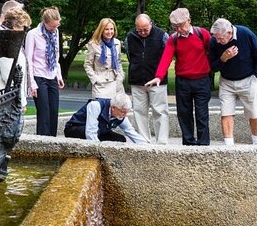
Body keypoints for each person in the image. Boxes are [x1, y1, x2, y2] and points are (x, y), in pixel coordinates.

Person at [145, 8, 212, 146]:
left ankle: (204, 145)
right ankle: (188, 144)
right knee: (184, 114)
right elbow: (166, 58)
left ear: (189, 20)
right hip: (183, 82)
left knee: (202, 114)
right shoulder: (173, 39)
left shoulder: (202, 34)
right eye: (176, 27)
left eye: (181, 25)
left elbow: (212, 51)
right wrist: (158, 76)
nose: (179, 29)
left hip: (202, 80)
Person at [209, 18, 257, 145]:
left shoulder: (245, 34)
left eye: (220, 38)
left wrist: (255, 76)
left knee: (254, 112)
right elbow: (213, 67)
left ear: (229, 33)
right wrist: (223, 58)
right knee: (226, 113)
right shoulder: (214, 41)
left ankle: (256, 144)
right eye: (216, 38)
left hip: (248, 79)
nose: (217, 41)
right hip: (226, 82)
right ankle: (229, 147)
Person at [125, 14, 169, 144]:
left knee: (160, 111)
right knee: (139, 112)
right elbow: (129, 55)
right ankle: (143, 141)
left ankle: (162, 142)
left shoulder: (162, 35)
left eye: (145, 29)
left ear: (151, 23)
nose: (143, 32)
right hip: (137, 80)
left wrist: (159, 75)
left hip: (157, 81)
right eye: (140, 30)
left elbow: (166, 57)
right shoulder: (130, 36)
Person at [25, 6, 65, 136]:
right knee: (44, 112)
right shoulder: (33, 34)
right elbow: (28, 60)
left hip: (51, 75)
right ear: (45, 23)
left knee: (53, 111)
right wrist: (32, 83)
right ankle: (42, 141)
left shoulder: (55, 33)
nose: (54, 29)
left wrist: (59, 76)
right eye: (52, 26)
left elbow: (56, 55)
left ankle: (52, 141)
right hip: (38, 75)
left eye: (56, 26)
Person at [64, 93, 147, 143]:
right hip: (75, 128)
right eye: (123, 112)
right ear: (114, 107)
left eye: (126, 112)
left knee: (120, 139)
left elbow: (130, 131)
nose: (125, 115)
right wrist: (97, 149)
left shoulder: (121, 114)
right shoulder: (96, 105)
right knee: (97, 130)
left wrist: (147, 147)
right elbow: (91, 131)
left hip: (100, 131)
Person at [84, 18, 124, 99]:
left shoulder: (117, 43)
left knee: (115, 110)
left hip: (115, 82)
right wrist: (95, 80)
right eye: (106, 29)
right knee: (101, 109)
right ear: (101, 30)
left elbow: (118, 62)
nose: (109, 32)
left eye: (111, 29)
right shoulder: (94, 44)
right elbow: (87, 64)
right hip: (101, 83)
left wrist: (121, 76)